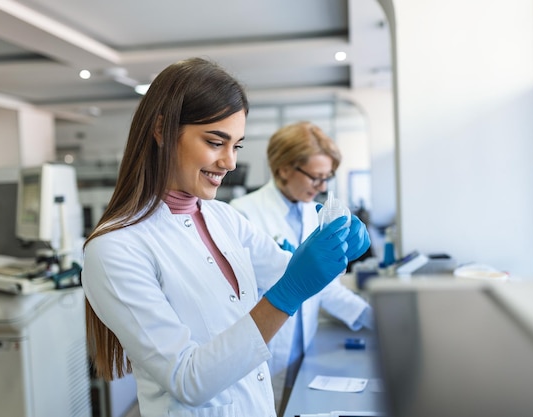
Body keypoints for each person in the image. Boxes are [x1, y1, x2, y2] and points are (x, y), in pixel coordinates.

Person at [81, 57, 371, 417]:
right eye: (216, 142)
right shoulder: (115, 249)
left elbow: (289, 270)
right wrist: (288, 293)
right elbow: (186, 379)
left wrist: (336, 249)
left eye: (237, 146)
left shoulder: (223, 218)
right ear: (161, 130)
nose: (230, 162)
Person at [229, 121, 374, 414]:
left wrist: (371, 317)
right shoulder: (243, 213)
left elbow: (321, 287)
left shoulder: (313, 211)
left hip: (301, 350)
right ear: (283, 168)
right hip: (263, 355)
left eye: (326, 178)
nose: (322, 187)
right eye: (315, 177)